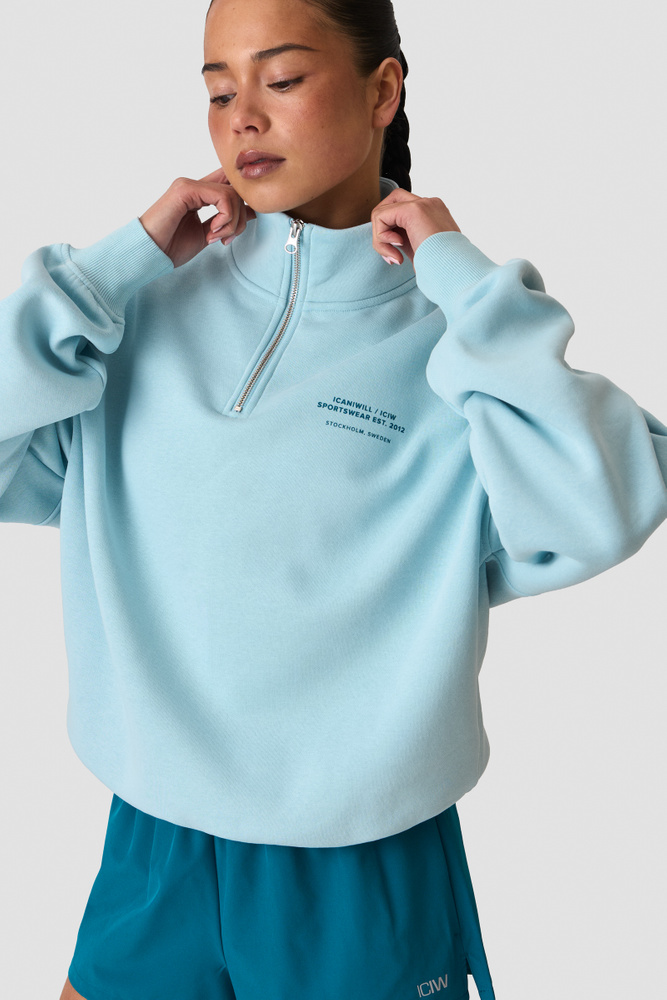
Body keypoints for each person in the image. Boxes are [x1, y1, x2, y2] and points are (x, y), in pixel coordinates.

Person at [1, 0, 665, 998]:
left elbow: (600, 506)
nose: (242, 116)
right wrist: (112, 267)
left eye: (281, 78)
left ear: (382, 89)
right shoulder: (135, 314)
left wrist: (465, 283)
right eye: (218, 90)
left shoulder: (458, 348)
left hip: (359, 865)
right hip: (153, 837)